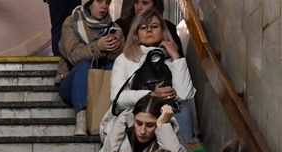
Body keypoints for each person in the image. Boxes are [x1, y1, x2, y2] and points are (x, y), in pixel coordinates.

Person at [109, 9, 195, 140]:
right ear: (136, 34)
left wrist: (177, 57)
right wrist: (151, 95)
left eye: (154, 26)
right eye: (143, 27)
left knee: (183, 113)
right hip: (136, 111)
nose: (149, 30)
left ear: (162, 31)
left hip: (167, 111)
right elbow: (117, 98)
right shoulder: (125, 59)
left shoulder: (171, 59)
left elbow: (184, 94)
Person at [54, 0, 121, 135]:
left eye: (107, 2)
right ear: (89, 3)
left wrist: (114, 48)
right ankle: (81, 119)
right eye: (99, 1)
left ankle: (108, 117)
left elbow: (122, 58)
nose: (104, 6)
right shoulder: (71, 22)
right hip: (72, 82)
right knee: (84, 65)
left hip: (99, 84)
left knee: (113, 65)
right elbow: (74, 55)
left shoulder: (113, 26)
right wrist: (98, 47)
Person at [116, 0, 182, 55]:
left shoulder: (168, 27)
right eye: (136, 2)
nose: (138, 7)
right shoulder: (121, 24)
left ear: (155, 6)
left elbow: (178, 55)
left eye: (145, 3)